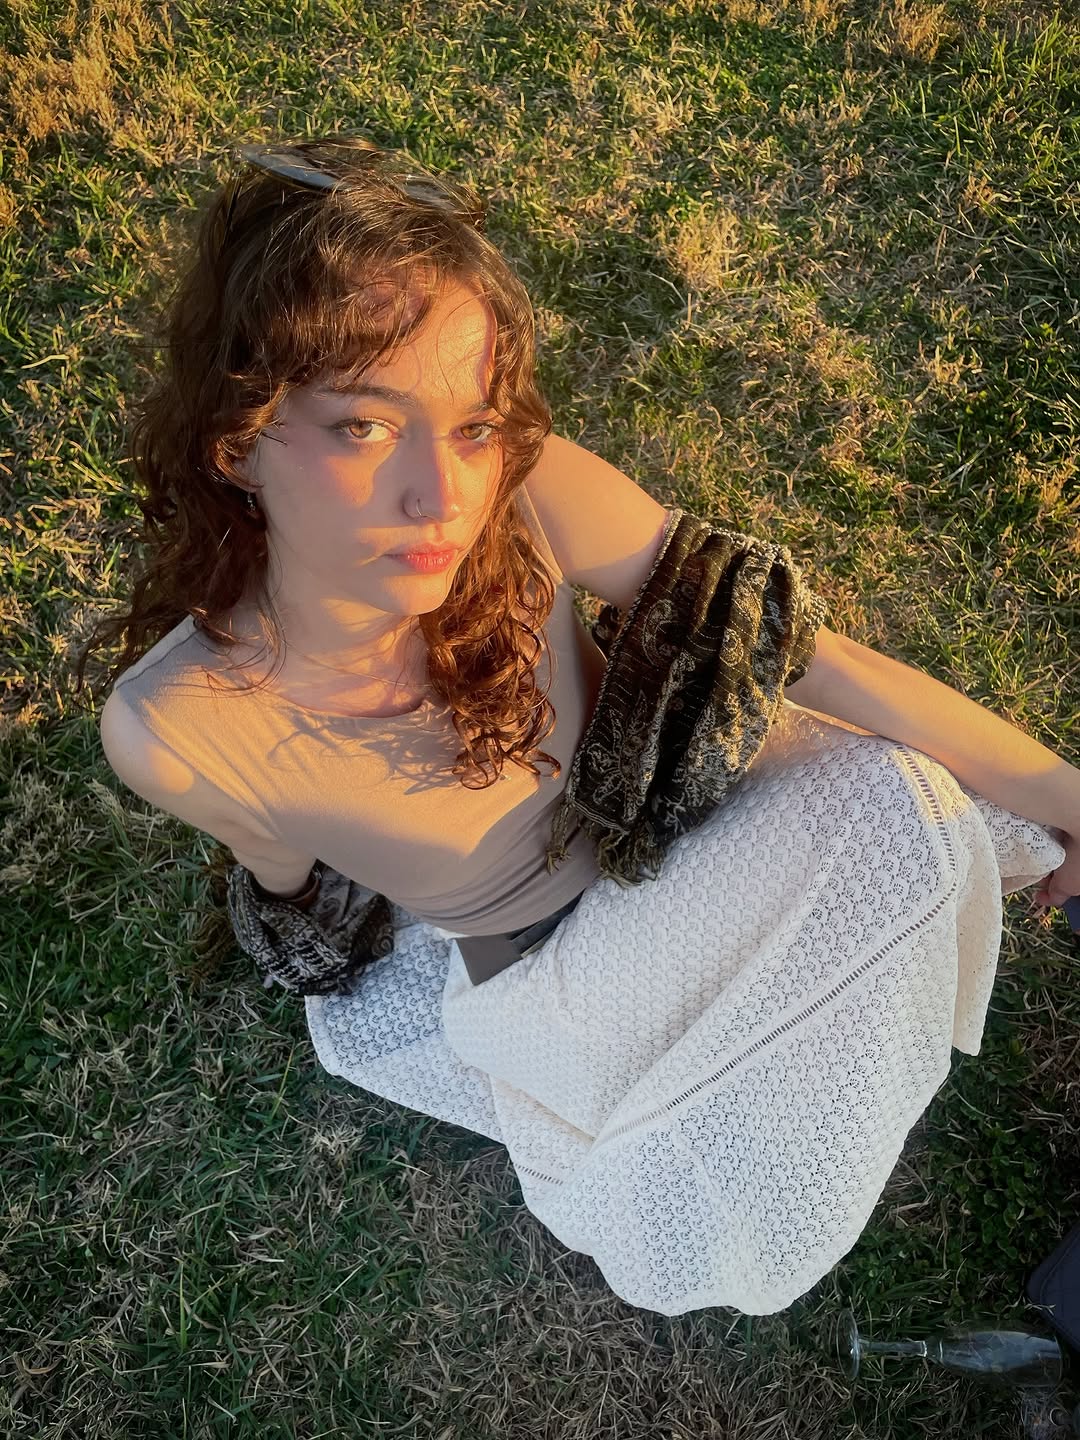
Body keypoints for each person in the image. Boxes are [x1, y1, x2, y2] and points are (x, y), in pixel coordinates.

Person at [77, 136, 1076, 1317]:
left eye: (473, 425)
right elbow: (295, 891)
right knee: (683, 1166)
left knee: (898, 810)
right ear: (240, 438)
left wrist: (1067, 795)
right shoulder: (175, 729)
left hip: (684, 820)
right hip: (554, 965)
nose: (443, 499)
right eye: (363, 427)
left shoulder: (529, 497)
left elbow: (811, 658)